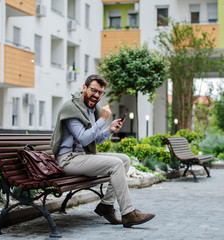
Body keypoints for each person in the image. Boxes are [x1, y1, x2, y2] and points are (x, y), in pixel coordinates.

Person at [50, 74, 155, 228]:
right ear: (84, 88)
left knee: (124, 159)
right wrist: (102, 121)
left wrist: (109, 130)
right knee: (116, 164)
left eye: (100, 92)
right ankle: (128, 213)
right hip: (68, 160)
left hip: (83, 157)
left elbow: (93, 139)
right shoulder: (71, 108)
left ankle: (106, 205)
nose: (97, 95)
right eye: (94, 90)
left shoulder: (92, 109)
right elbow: (84, 138)